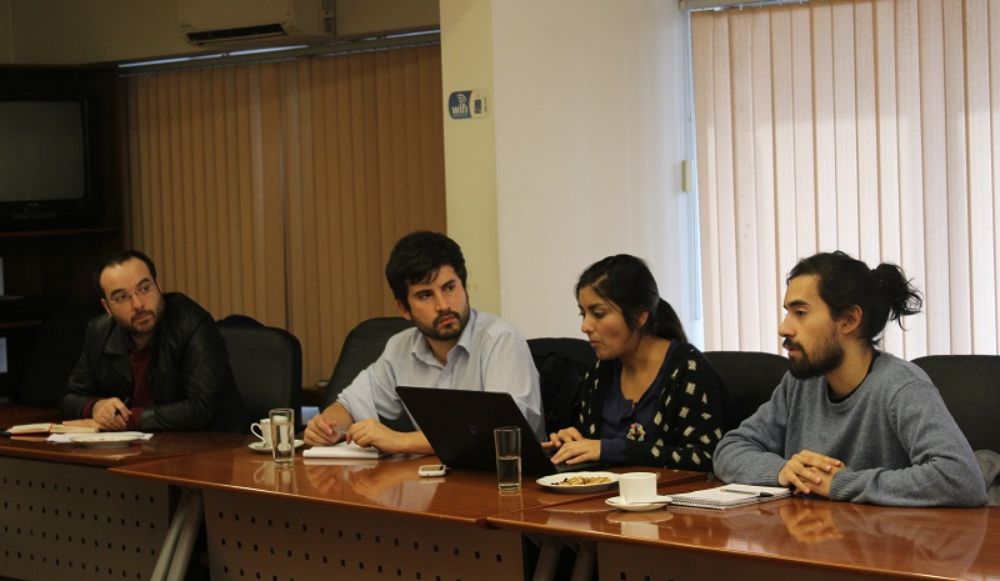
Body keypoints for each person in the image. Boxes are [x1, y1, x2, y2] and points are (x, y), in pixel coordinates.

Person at [714, 251, 987, 507]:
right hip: (819, 540)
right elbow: (729, 449)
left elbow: (961, 479)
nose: (784, 327)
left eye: (800, 313)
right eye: (787, 312)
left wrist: (840, 483)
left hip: (893, 549)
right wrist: (783, 470)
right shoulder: (800, 383)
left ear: (848, 320)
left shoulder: (901, 387)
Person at [304, 231, 542, 453]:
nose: (443, 305)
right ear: (404, 308)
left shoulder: (500, 338)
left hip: (510, 484)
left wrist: (401, 440)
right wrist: (327, 426)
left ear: (465, 287)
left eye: (449, 288)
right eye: (425, 295)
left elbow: (503, 430)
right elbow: (349, 404)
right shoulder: (400, 348)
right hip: (439, 484)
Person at [546, 254, 727, 471]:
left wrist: (614, 449)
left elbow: (706, 457)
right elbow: (594, 448)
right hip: (604, 499)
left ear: (640, 316)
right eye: (583, 313)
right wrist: (572, 442)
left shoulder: (687, 369)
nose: (585, 326)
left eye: (598, 314)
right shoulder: (598, 373)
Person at [60, 250, 246, 432]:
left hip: (210, 448)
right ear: (107, 307)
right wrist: (96, 407)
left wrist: (126, 419)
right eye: (122, 297)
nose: (138, 304)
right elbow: (70, 397)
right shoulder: (99, 331)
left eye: (144, 288)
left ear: (158, 286)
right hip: (136, 449)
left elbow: (201, 408)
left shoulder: (193, 324)